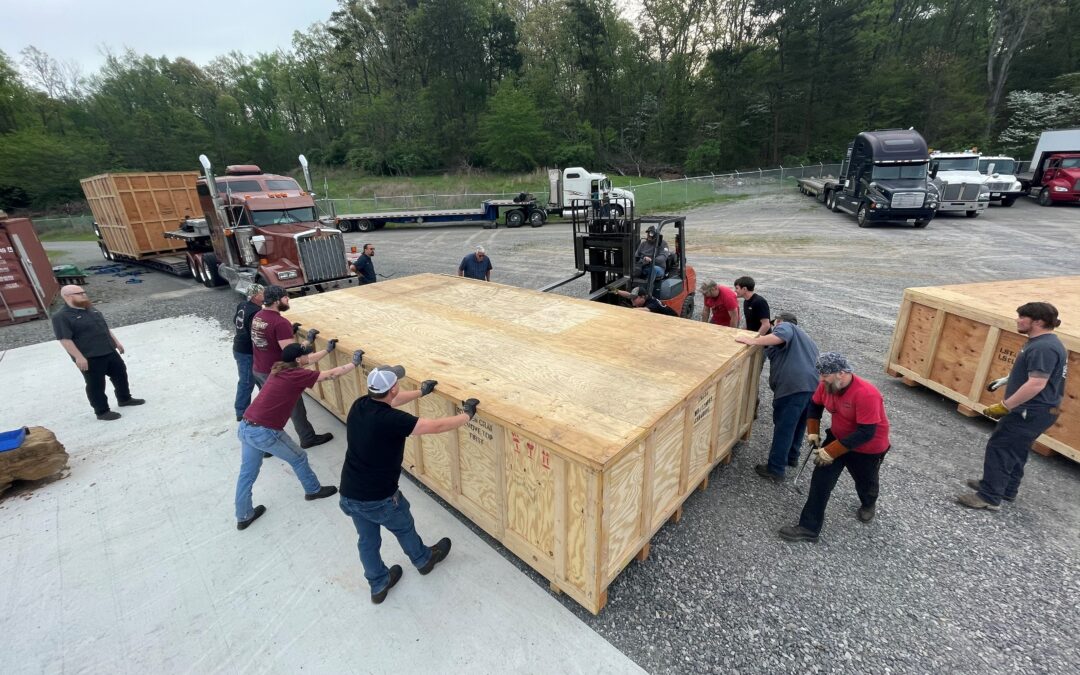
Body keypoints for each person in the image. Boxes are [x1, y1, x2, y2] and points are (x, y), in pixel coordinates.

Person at [339, 365, 480, 603]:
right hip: (380, 497)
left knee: (367, 541)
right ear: (393, 388)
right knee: (404, 526)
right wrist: (467, 415)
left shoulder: (360, 404)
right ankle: (424, 560)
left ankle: (378, 584)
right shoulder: (392, 420)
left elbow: (391, 401)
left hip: (350, 494)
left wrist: (420, 392)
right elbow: (435, 427)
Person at [235, 342, 362, 530]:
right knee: (299, 457)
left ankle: (244, 515)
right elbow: (331, 374)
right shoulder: (297, 375)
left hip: (247, 426)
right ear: (297, 359)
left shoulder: (278, 368)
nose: (307, 357)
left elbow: (307, 361)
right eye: (304, 355)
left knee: (247, 474)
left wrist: (327, 350)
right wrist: (354, 364)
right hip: (265, 431)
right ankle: (313, 490)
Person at [957, 302, 1067, 511]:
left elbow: (1037, 383)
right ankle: (1006, 489)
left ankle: (989, 496)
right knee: (1016, 448)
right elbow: (1034, 373)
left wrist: (1005, 406)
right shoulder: (1042, 342)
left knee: (1001, 447)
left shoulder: (1043, 347)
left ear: (1038, 321)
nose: (1017, 320)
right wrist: (1006, 380)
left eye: (1022, 317)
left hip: (1030, 410)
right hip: (1038, 410)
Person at [778, 352, 891, 542]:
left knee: (865, 481)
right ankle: (809, 528)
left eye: (825, 375)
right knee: (820, 482)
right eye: (820, 375)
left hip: (867, 447)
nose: (821, 379)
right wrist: (812, 430)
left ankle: (868, 503)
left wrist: (831, 451)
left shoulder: (866, 393)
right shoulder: (827, 386)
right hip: (839, 436)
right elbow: (814, 406)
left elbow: (866, 432)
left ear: (841, 373)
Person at [735, 312, 820, 479]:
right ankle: (792, 457)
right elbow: (767, 353)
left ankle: (776, 468)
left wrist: (753, 340)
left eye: (775, 325)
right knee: (799, 424)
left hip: (793, 388)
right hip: (813, 387)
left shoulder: (787, 327)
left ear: (780, 322)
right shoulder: (806, 341)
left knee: (784, 428)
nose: (774, 329)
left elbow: (780, 335)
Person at [250, 285, 332, 449]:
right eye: (285, 297)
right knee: (294, 406)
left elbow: (272, 340)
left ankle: (264, 443)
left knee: (268, 405)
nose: (288, 299)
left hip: (258, 368)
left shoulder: (258, 316)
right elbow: (294, 357)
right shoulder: (280, 322)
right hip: (275, 372)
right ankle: (307, 438)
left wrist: (293, 334)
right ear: (276, 301)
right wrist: (314, 346)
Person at [51, 284, 145, 421]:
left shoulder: (89, 308)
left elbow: (104, 328)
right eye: (79, 293)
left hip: (108, 350)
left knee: (120, 375)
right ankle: (102, 411)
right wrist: (78, 357)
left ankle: (125, 399)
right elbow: (65, 339)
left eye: (84, 292)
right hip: (90, 357)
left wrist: (116, 343)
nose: (84, 295)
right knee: (96, 385)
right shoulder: (61, 316)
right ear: (68, 297)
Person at [232, 283, 264, 421]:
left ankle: (264, 402)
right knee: (246, 381)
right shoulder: (256, 312)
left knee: (259, 378)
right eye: (263, 293)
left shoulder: (243, 305)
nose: (265, 295)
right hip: (246, 351)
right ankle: (241, 412)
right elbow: (258, 332)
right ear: (256, 296)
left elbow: (235, 320)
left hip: (239, 347)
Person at [610, 286, 678, 316]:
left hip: (674, 320)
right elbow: (628, 295)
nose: (632, 300)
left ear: (642, 297)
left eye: (634, 298)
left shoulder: (653, 303)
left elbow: (646, 309)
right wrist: (615, 290)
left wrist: (630, 310)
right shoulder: (644, 298)